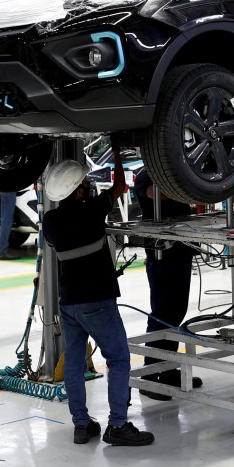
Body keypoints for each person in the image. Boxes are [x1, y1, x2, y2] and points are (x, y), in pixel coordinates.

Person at [42, 148, 154, 447]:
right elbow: (120, 185)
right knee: (118, 359)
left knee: (74, 363)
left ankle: (82, 425)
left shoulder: (50, 220)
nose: (89, 185)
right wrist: (116, 152)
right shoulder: (93, 209)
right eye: (85, 183)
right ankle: (117, 425)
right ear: (79, 190)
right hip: (97, 301)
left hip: (69, 303)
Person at [133, 168, 203, 400]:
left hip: (180, 249)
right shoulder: (147, 175)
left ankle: (167, 369)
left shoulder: (177, 174)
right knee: (162, 313)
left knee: (176, 313)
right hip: (161, 252)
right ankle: (149, 375)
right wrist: (191, 187)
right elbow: (157, 193)